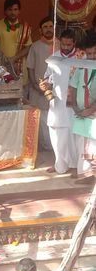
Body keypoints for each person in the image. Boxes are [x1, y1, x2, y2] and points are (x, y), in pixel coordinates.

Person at [40, 29, 81, 174]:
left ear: (74, 43)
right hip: (57, 102)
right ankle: (60, 165)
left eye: (68, 44)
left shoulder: (80, 57)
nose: (65, 47)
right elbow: (47, 77)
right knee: (57, 135)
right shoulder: (54, 58)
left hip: (74, 102)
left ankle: (76, 165)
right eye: (63, 44)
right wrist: (45, 84)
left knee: (73, 135)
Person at [27, 16, 58, 151]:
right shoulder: (35, 46)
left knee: (53, 120)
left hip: (56, 90)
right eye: (45, 27)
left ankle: (52, 147)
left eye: (50, 26)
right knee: (39, 120)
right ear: (40, 30)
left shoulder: (60, 45)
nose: (48, 29)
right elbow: (30, 67)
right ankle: (41, 147)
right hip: (37, 89)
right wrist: (34, 84)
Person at [69, 30, 96, 184]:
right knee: (82, 145)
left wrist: (90, 110)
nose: (92, 57)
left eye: (95, 53)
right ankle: (85, 174)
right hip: (80, 113)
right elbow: (73, 87)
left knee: (93, 146)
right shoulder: (81, 66)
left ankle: (92, 175)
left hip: (93, 114)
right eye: (89, 53)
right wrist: (75, 108)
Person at [0, 0, 32, 95]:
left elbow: (28, 47)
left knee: (21, 99)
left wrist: (14, 59)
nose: (13, 12)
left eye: (15, 9)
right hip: (3, 68)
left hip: (21, 68)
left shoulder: (25, 27)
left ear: (19, 11)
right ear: (5, 11)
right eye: (10, 10)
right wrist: (7, 61)